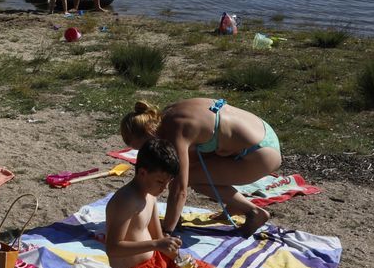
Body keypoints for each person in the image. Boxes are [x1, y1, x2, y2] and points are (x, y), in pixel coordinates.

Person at [121, 99, 282, 236]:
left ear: (149, 131)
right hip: (262, 132)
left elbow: (180, 189)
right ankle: (235, 205)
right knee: (192, 165)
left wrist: (167, 230)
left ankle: (254, 212)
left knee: (191, 177)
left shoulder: (176, 130)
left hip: (260, 155)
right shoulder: (168, 114)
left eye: (144, 146)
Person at [106, 138, 225, 268]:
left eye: (168, 182)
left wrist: (176, 255)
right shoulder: (125, 201)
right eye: (160, 182)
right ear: (142, 173)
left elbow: (157, 236)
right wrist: (156, 244)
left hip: (157, 259)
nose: (164, 188)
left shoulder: (150, 195)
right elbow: (112, 248)